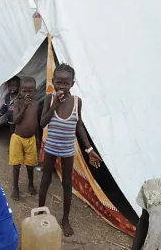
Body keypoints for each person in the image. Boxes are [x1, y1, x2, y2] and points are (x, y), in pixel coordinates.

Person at [38, 63, 102, 237]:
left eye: (66, 84)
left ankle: (65, 219)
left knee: (67, 184)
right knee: (45, 180)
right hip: (51, 147)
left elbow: (78, 125)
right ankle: (40, 212)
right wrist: (54, 106)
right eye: (58, 83)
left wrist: (89, 149)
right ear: (53, 81)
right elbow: (42, 123)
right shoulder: (49, 99)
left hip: (67, 151)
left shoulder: (76, 102)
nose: (62, 87)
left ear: (72, 84)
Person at [9, 76, 39, 200]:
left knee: (30, 164)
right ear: (20, 91)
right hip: (18, 138)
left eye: (30, 91)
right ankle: (16, 189)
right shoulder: (17, 103)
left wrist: (37, 137)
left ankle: (31, 184)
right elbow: (16, 120)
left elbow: (35, 122)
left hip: (31, 139)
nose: (27, 94)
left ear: (35, 91)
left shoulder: (36, 104)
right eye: (24, 91)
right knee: (16, 165)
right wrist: (24, 108)